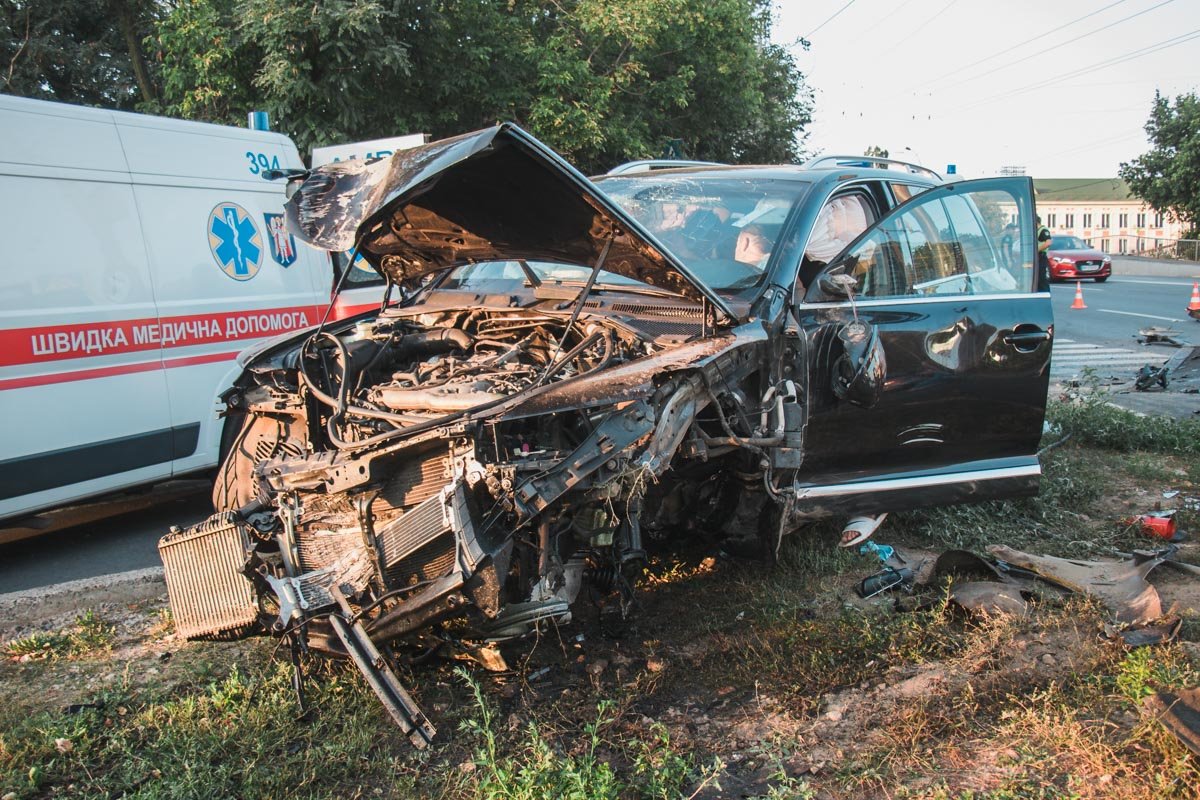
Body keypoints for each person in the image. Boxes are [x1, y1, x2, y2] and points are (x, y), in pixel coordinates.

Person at [1035, 215, 1052, 291]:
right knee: (1037, 278)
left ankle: (1046, 293)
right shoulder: (1037, 230)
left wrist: (1037, 250)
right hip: (1037, 257)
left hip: (1041, 256)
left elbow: (1048, 243)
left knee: (1041, 277)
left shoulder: (1043, 230)